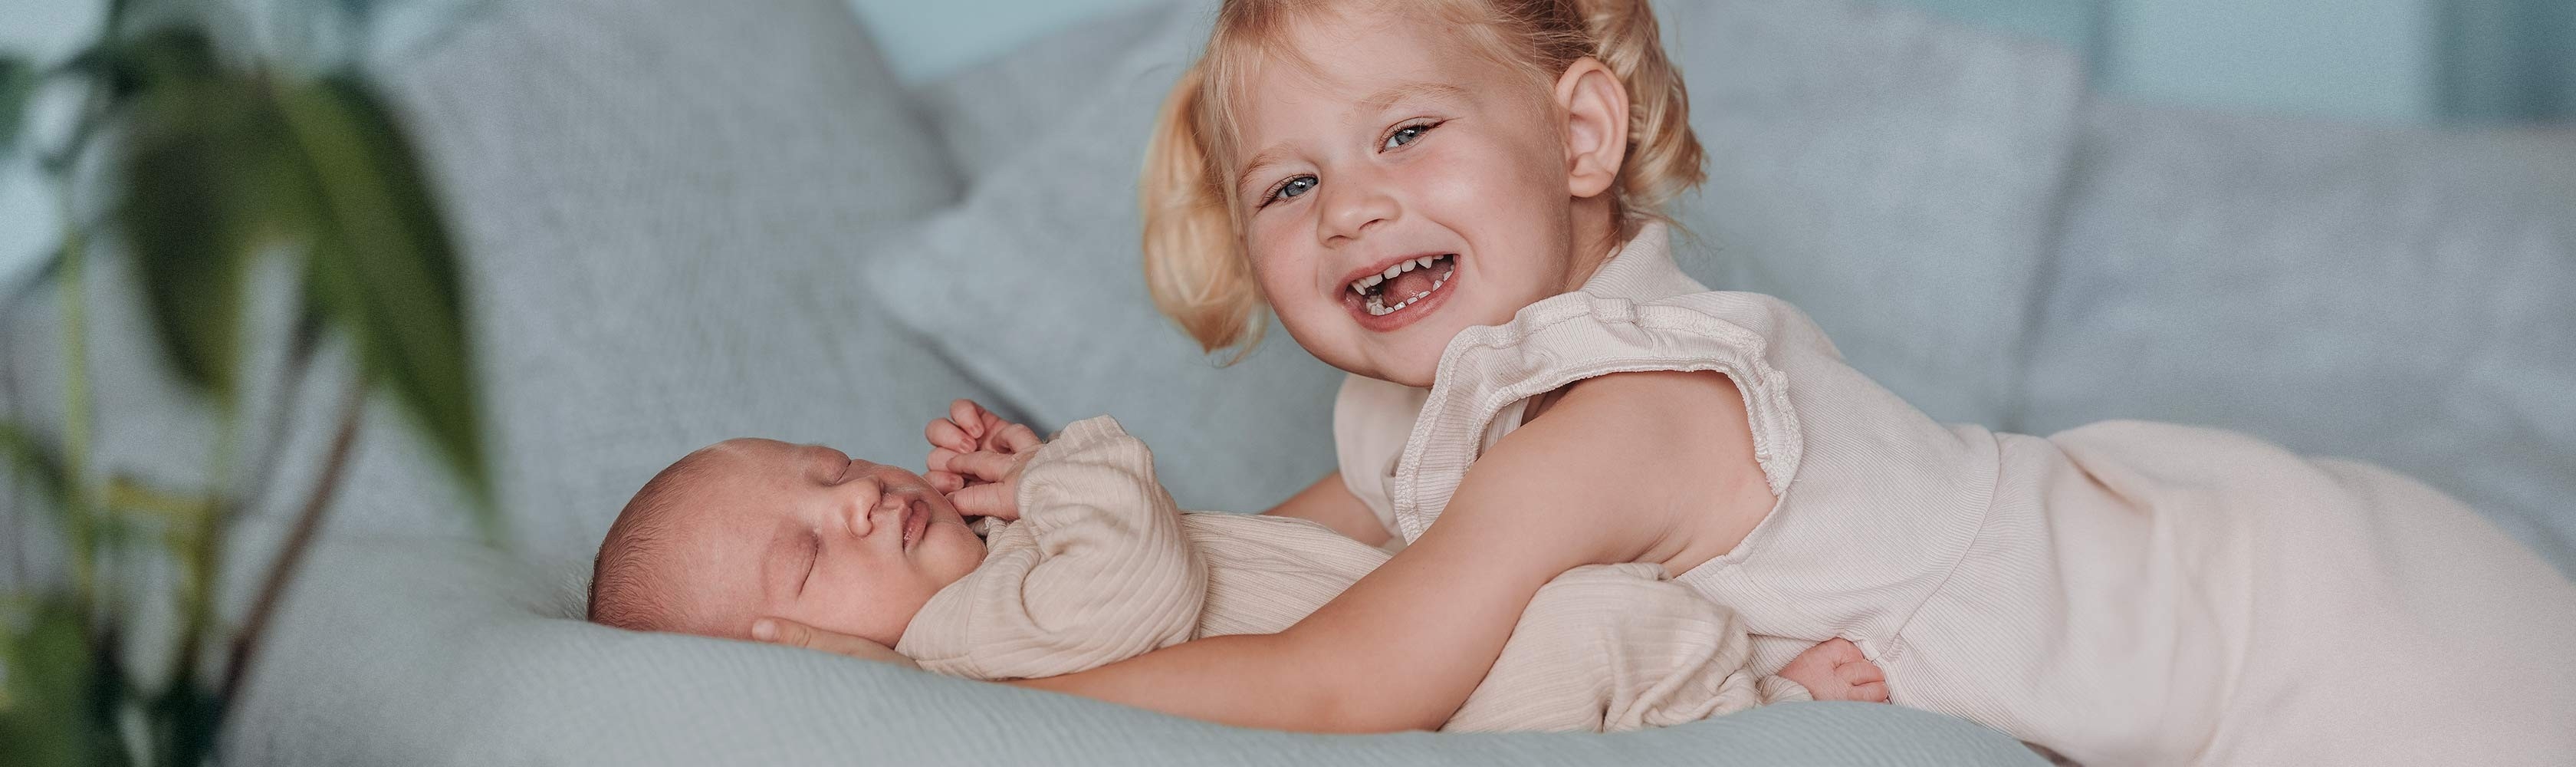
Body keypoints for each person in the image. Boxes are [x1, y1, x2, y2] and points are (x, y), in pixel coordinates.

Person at [756, 0, 2576, 763]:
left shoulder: (1616, 422)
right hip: (2183, 585)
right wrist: (1037, 559)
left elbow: (1352, 669)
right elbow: (1262, 568)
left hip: (2310, 630)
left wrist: (1012, 705)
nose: (1353, 201)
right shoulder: (1428, 416)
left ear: (1578, 129)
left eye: (1405, 131)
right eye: (1291, 183)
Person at [586, 410, 1880, 732]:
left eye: (828, 466)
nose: (858, 497)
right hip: (1451, 705)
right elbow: (1137, 583)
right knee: (1600, 625)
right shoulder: (964, 644)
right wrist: (1062, 468)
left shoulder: (1006, 580)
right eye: (810, 551)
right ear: (804, 656)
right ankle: (1764, 721)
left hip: (1408, 636)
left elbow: (1209, 556)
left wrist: (1029, 497)